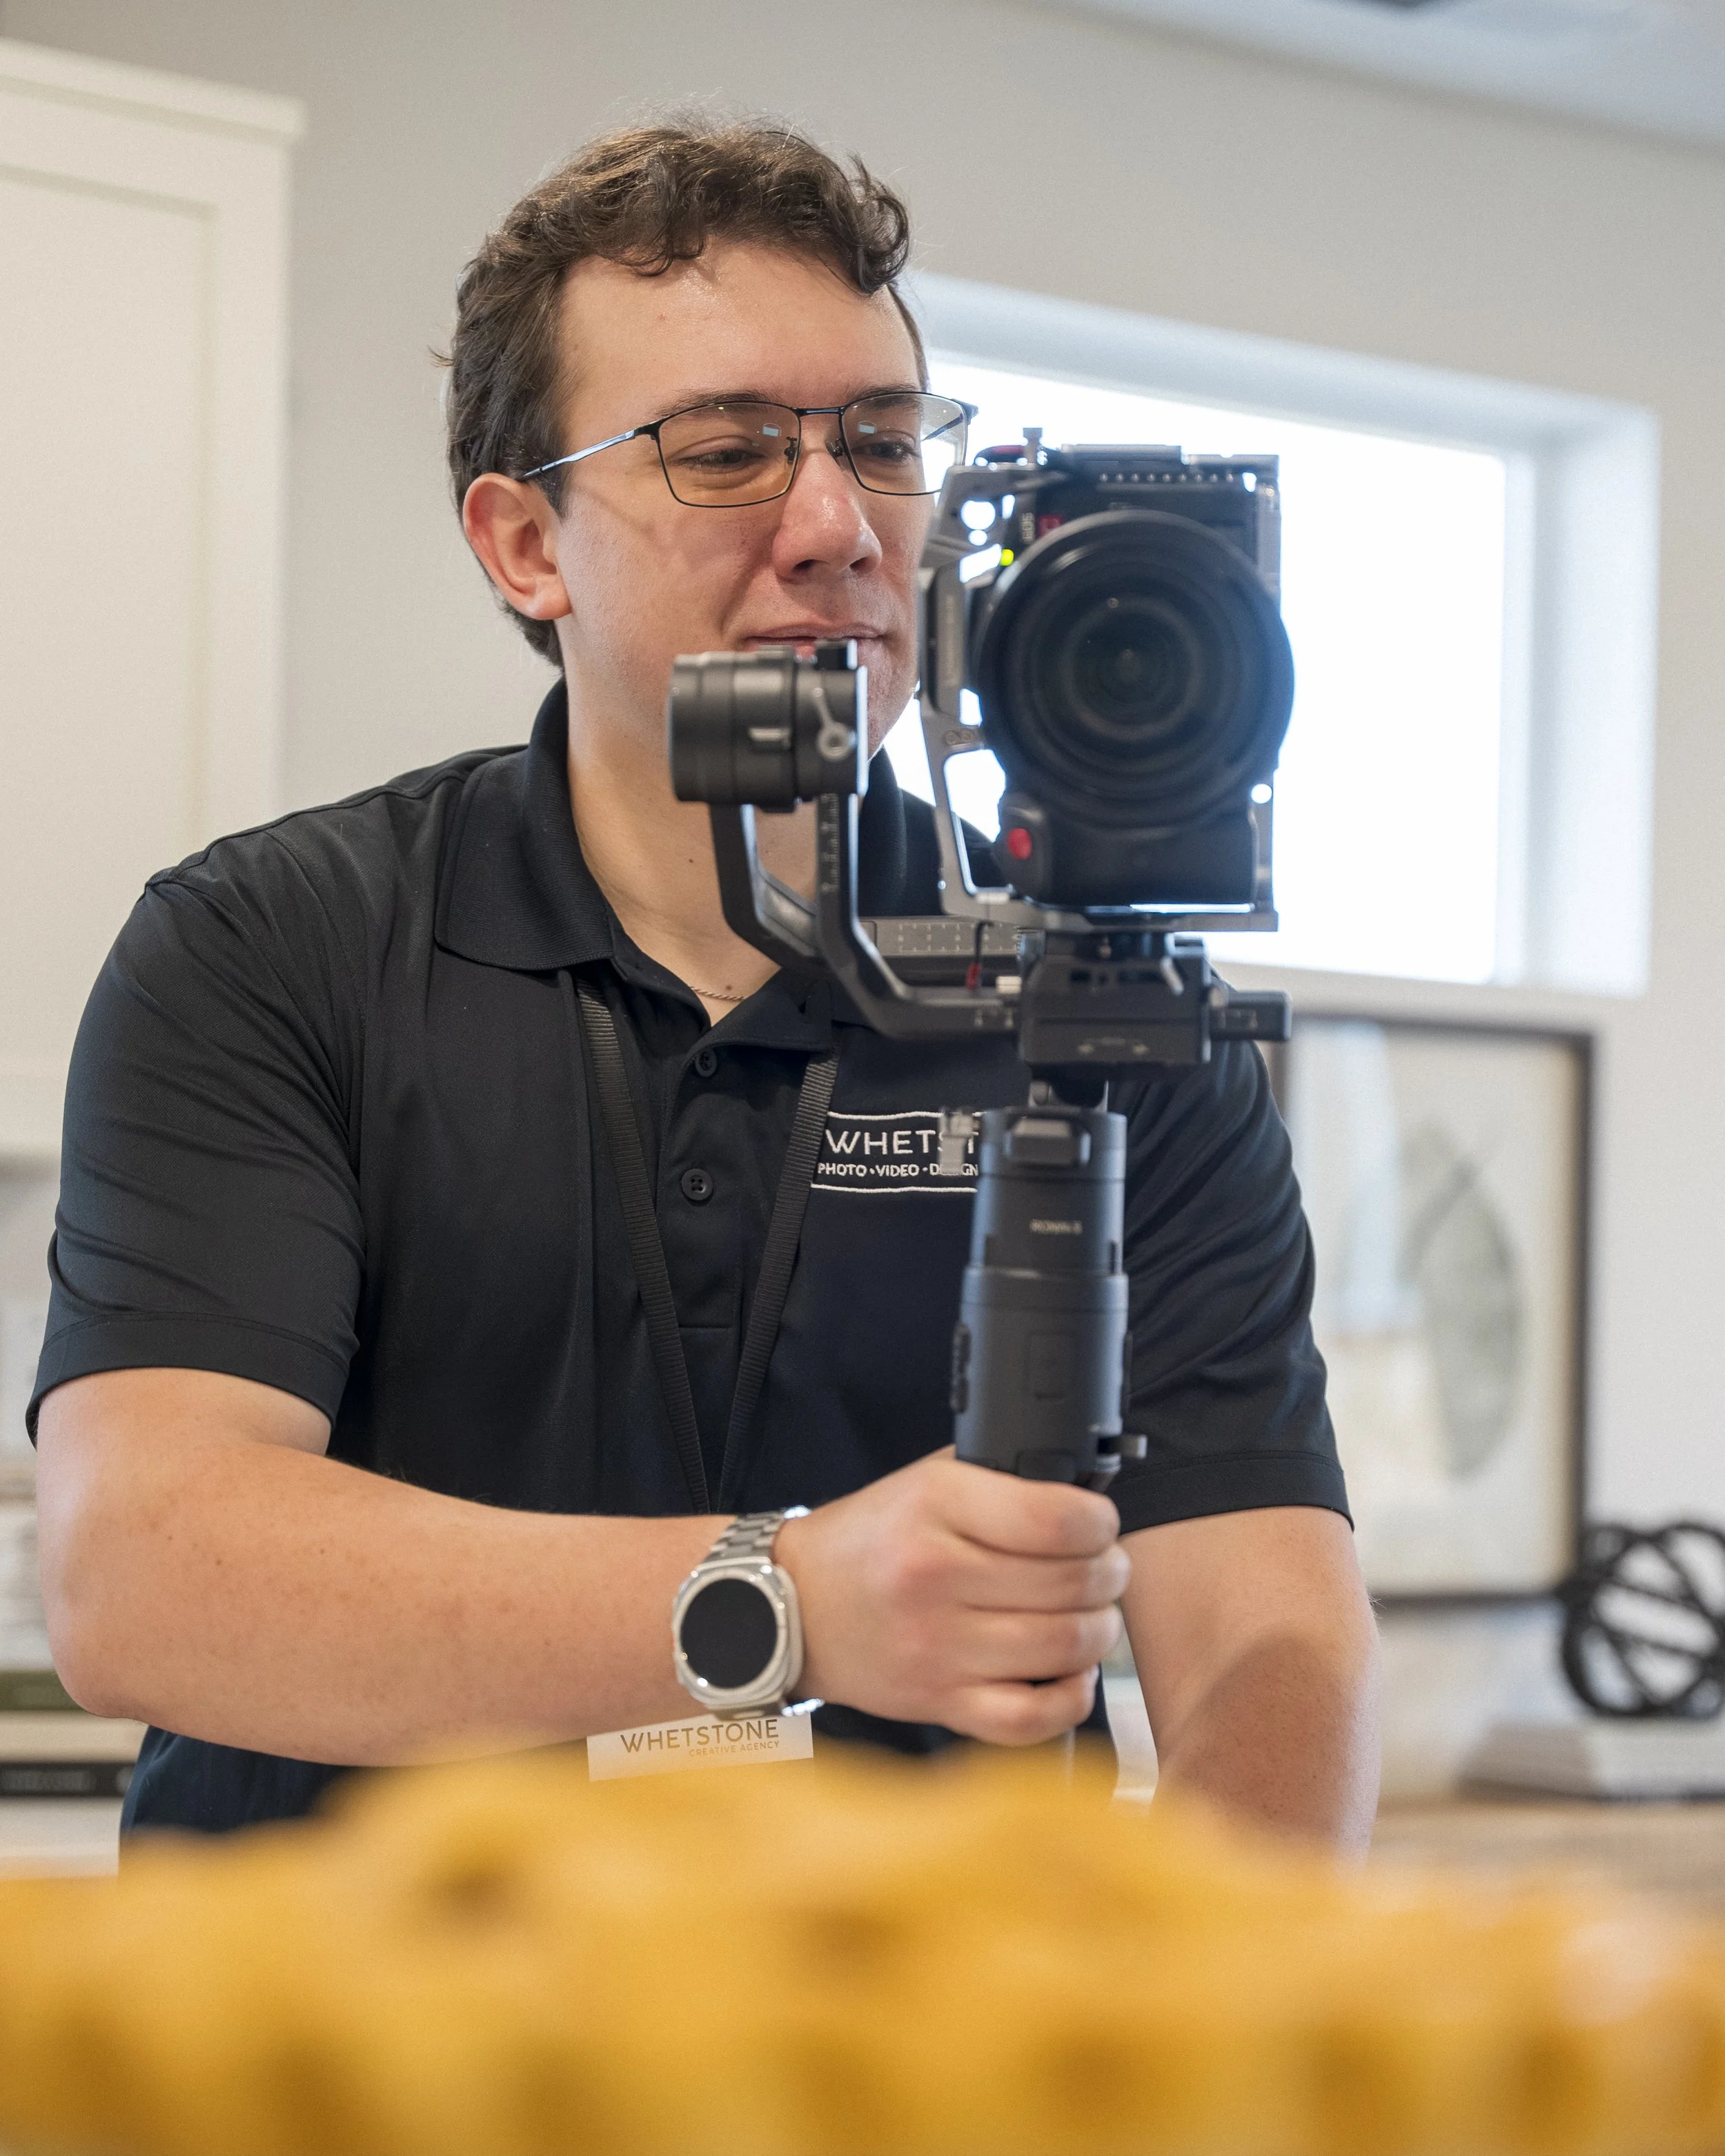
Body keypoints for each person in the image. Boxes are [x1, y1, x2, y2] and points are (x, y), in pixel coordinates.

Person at [30, 120, 1380, 1843]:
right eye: (725, 451)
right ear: (526, 545)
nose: (833, 525)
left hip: (898, 2068)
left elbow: (1266, 1634)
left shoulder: (1104, 1004)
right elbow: (144, 1576)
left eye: (883, 444)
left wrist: (1212, 2050)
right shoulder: (273, 947)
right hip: (342, 2060)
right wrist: (793, 1597)